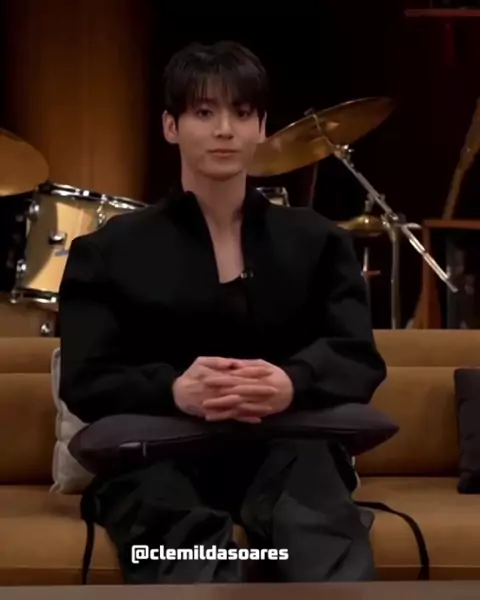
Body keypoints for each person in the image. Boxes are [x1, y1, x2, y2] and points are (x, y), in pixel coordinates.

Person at [58, 40, 387, 584]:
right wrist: (173, 389)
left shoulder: (317, 241)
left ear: (262, 127)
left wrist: (292, 381)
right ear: (171, 127)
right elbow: (86, 380)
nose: (225, 130)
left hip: (289, 449)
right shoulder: (108, 250)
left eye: (242, 113)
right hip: (155, 458)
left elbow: (359, 360)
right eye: (204, 113)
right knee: (178, 546)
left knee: (316, 529)